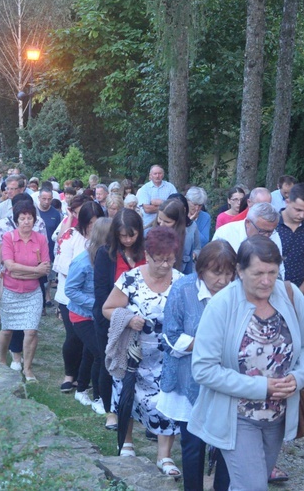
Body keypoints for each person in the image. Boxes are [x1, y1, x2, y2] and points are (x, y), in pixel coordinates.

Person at [190, 236, 304, 490]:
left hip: (278, 417)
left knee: (247, 484)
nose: (266, 281)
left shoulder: (291, 295)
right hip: (236, 416)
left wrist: (299, 377)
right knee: (253, 487)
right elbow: (203, 369)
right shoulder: (221, 306)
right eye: (258, 273)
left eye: (272, 272)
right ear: (240, 271)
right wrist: (261, 386)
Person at [102, 226, 183, 477]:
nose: (165, 265)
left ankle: (164, 456)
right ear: (147, 255)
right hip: (133, 355)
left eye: (170, 259)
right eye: (160, 260)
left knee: (166, 401)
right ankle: (127, 442)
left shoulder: (181, 281)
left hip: (167, 357)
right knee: (128, 396)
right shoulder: (130, 279)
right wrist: (128, 318)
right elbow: (108, 308)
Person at [159, 240, 236, 491]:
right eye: (217, 272)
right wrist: (209, 345)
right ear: (201, 269)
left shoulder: (237, 292)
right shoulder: (182, 289)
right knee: (193, 444)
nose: (223, 280)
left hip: (226, 379)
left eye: (228, 273)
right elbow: (171, 336)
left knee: (226, 443)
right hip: (188, 377)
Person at [93, 209, 147, 430]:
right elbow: (101, 292)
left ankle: (135, 409)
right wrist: (120, 316)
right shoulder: (105, 254)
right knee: (110, 363)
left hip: (142, 321)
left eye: (131, 235)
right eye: (122, 235)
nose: (126, 240)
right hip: (111, 318)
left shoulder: (146, 253)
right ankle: (110, 412)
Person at [55, 200, 105, 402]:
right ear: (83, 222)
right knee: (74, 338)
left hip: (94, 299)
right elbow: (63, 267)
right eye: (91, 222)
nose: (94, 226)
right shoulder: (71, 237)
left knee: (91, 347)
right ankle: (71, 375)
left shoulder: (103, 240)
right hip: (70, 297)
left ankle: (84, 382)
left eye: (98, 221)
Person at [0, 202, 51, 382]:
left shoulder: (41, 240)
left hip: (32, 292)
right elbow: (9, 266)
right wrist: (34, 271)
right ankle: (2, 361)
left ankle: (27, 368)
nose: (26, 222)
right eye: (23, 218)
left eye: (30, 218)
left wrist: (24, 272)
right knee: (6, 330)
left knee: (31, 331)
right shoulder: (8, 238)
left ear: (34, 220)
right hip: (10, 291)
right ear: (17, 220)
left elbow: (46, 268)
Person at [65, 218, 113, 418]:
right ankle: (99, 398)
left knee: (91, 353)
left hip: (99, 315)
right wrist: (97, 302)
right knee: (101, 354)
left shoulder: (111, 257)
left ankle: (81, 389)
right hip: (82, 316)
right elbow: (70, 290)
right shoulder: (83, 261)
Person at [212, 202, 285, 279]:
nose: (266, 236)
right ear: (248, 223)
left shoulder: (274, 235)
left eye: (270, 232)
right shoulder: (225, 234)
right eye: (261, 231)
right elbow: (213, 269)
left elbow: (279, 268)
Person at [277, 183, 304, 310]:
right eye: (298, 210)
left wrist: (297, 296)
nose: (302, 215)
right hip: (272, 294)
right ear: (287, 202)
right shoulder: (271, 225)